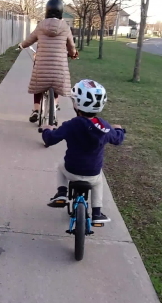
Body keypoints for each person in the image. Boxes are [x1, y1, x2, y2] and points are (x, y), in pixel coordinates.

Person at [42, 79, 125, 225]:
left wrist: (47, 130)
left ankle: (61, 193)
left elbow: (51, 139)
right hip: (92, 173)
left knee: (60, 166)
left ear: (76, 104)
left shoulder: (71, 125)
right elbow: (117, 139)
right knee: (99, 182)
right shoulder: (104, 127)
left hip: (71, 170)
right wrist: (119, 129)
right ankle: (97, 213)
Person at [18, 0, 78, 123]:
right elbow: (71, 46)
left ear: (47, 11)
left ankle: (36, 110)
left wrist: (21, 45)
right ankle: (54, 106)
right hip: (59, 66)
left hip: (42, 65)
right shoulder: (65, 27)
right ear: (61, 11)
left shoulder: (41, 26)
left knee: (38, 85)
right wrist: (73, 54)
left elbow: (30, 39)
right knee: (56, 84)